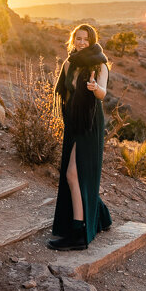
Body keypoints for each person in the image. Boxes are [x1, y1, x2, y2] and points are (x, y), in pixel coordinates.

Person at [48, 23, 112, 251]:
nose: (82, 42)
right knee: (76, 171)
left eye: (86, 39)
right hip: (73, 122)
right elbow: (65, 93)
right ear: (73, 40)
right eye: (78, 38)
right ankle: (100, 216)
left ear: (92, 40)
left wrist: (94, 87)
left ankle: (78, 232)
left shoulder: (99, 64)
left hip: (90, 124)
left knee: (73, 174)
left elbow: (103, 93)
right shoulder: (69, 63)